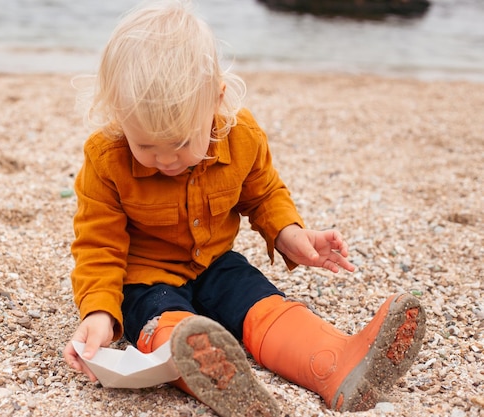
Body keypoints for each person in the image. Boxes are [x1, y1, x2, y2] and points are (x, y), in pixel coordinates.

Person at [63, 1, 426, 416]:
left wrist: (291, 235)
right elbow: (98, 244)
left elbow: (264, 195)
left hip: (218, 264)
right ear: (118, 116)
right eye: (145, 146)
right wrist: (97, 313)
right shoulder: (106, 158)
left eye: (182, 143)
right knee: (167, 325)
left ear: (215, 102)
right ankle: (211, 373)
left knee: (263, 305)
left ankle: (334, 362)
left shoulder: (242, 136)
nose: (166, 160)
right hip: (145, 279)